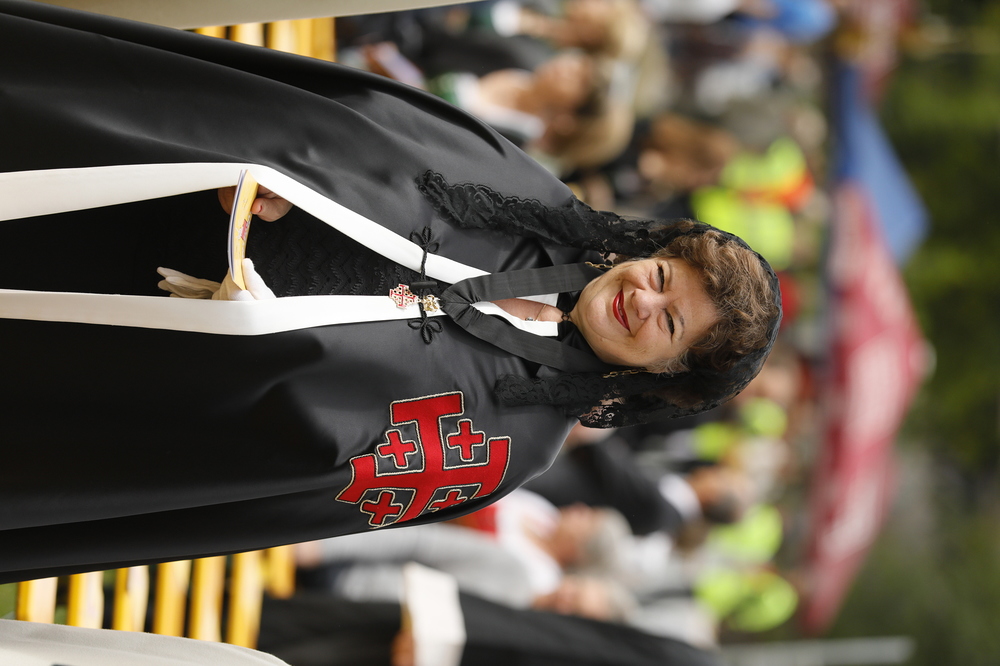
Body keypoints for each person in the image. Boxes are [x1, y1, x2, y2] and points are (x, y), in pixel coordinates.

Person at [0, 0, 779, 583]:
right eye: (662, 277)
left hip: (116, 371)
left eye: (669, 323)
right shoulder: (524, 187)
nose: (643, 300)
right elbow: (353, 126)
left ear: (662, 376)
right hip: (131, 191)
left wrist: (257, 349)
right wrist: (292, 181)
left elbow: (296, 477)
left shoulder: (504, 450)